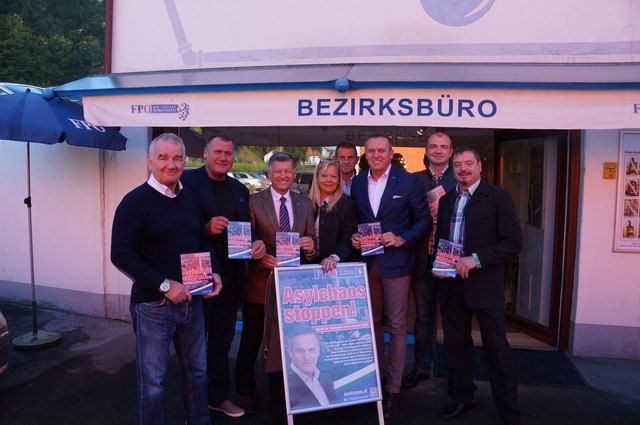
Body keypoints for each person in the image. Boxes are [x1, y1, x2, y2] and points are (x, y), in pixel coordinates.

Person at [111, 133, 222, 425]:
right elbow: (121, 254)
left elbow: (202, 239)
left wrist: (214, 271)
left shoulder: (191, 198)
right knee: (153, 383)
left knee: (197, 374)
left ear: (185, 161)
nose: (171, 164)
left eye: (177, 157)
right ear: (150, 161)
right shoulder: (134, 202)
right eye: (163, 157)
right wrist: (164, 285)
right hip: (153, 306)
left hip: (193, 302)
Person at [434, 145, 522, 425]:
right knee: (457, 346)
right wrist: (439, 265)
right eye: (457, 164)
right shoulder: (447, 200)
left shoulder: (498, 197)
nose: (463, 169)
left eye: (468, 163)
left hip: (485, 285)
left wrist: (476, 259)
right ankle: (464, 398)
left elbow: (513, 243)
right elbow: (442, 241)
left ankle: (509, 412)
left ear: (479, 166)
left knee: (497, 350)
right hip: (452, 285)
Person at [181, 135, 266, 418]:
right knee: (193, 344)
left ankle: (217, 397)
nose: (223, 157)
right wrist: (203, 228)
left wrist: (256, 242)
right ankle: (193, 405)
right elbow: (173, 225)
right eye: (217, 151)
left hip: (230, 278)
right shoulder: (186, 182)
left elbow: (244, 229)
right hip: (197, 276)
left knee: (221, 341)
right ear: (205, 153)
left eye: (228, 153)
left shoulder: (239, 188)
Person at [350, 134, 431, 418]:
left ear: (390, 152)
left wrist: (402, 238)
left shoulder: (407, 181)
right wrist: (354, 237)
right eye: (371, 151)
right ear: (366, 154)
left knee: (396, 326)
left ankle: (393, 389)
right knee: (371, 325)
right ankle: (376, 381)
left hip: (396, 264)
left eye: (381, 151)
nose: (376, 155)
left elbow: (424, 220)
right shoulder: (357, 182)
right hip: (367, 263)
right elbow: (355, 219)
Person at [235, 152, 316, 413]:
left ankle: (280, 387)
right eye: (277, 171)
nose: (283, 176)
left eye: (288, 171)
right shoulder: (252, 202)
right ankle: (244, 391)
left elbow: (312, 242)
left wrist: (311, 247)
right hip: (260, 284)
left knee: (287, 341)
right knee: (251, 340)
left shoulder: (305, 203)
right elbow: (245, 239)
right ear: (269, 174)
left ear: (294, 174)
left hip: (292, 288)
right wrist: (260, 257)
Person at [403, 131, 457, 388]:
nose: (438, 150)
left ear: (450, 151)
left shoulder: (460, 178)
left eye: (443, 147)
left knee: (453, 317)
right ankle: (421, 367)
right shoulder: (413, 180)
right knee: (423, 317)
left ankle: (453, 370)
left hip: (451, 258)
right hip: (422, 258)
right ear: (426, 151)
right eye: (433, 146)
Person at [308, 159, 358, 271]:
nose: (329, 180)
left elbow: (348, 238)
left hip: (337, 268)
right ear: (317, 178)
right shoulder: (305, 203)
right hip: (309, 268)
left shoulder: (347, 204)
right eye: (324, 175)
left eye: (334, 176)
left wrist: (334, 257)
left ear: (339, 180)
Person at [285, 326, 337, 410]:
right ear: (290, 352)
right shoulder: (285, 383)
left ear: (318, 351)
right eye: (300, 351)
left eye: (311, 350)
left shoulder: (326, 375)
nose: (307, 357)